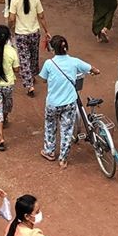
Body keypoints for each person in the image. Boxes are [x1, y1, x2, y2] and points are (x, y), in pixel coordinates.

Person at [37, 35, 100, 169]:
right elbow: (93, 69)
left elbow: (43, 79)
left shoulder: (49, 63)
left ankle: (49, 152)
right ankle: (63, 160)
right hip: (69, 103)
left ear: (52, 49)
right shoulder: (74, 62)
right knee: (67, 131)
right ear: (66, 47)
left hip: (53, 103)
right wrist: (95, 72)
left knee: (50, 126)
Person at [8, 0, 50, 97]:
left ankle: (29, 85)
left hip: (21, 34)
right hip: (34, 33)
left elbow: (11, 18)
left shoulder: (14, 0)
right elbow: (41, 16)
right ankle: (31, 76)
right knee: (33, 56)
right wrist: (46, 31)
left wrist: (10, 28)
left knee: (24, 59)